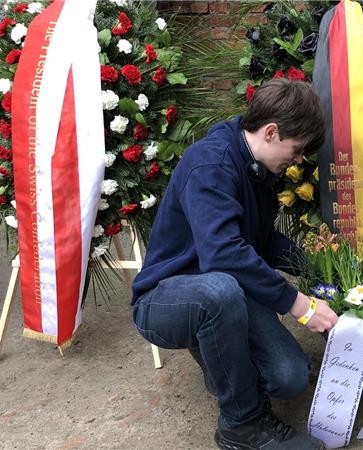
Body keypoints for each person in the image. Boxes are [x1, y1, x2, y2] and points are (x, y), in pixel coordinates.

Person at [131, 79, 338, 450]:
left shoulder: (260, 169)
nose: (299, 160)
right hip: (166, 299)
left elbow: (262, 240)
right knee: (220, 290)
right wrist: (300, 305)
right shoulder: (210, 164)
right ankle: (241, 426)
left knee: (290, 378)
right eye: (298, 150)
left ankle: (223, 362)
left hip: (224, 291)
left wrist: (319, 270)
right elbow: (224, 254)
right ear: (272, 132)